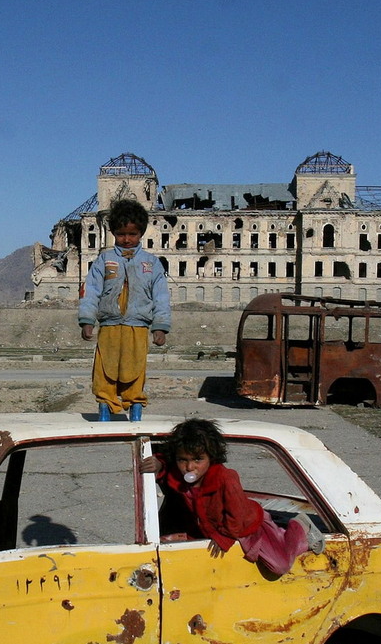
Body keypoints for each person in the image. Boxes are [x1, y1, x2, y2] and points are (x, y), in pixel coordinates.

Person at [145, 418, 325, 575]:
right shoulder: (180, 477)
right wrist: (160, 465)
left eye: (198, 460)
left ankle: (299, 528)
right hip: (216, 528)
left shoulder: (225, 478)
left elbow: (237, 516)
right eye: (183, 460)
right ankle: (290, 539)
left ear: (211, 457)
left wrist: (224, 537)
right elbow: (167, 471)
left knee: (280, 564)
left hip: (249, 526)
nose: (190, 467)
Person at [77, 199, 171, 422]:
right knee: (104, 369)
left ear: (141, 233)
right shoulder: (104, 260)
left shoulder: (151, 263)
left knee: (135, 369)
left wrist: (160, 326)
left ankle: (135, 408)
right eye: (121, 234)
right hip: (109, 326)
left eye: (132, 234)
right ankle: (105, 408)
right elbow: (91, 291)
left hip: (138, 326)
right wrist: (87, 319)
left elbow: (161, 296)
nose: (126, 240)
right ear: (112, 233)